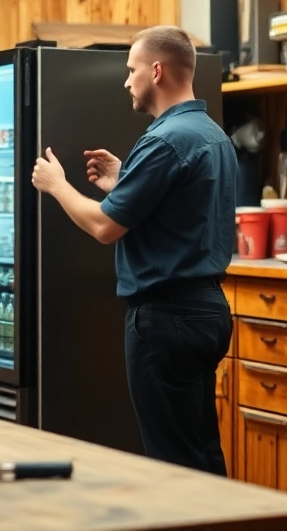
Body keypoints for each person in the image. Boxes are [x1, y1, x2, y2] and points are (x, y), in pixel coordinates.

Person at [29, 26, 236, 475]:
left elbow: (104, 226)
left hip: (165, 320)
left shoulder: (163, 140)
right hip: (209, 312)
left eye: (132, 69)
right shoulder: (211, 135)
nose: (126, 81)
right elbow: (179, 211)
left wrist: (57, 185)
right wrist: (127, 178)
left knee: (173, 464)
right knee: (201, 452)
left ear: (156, 71)